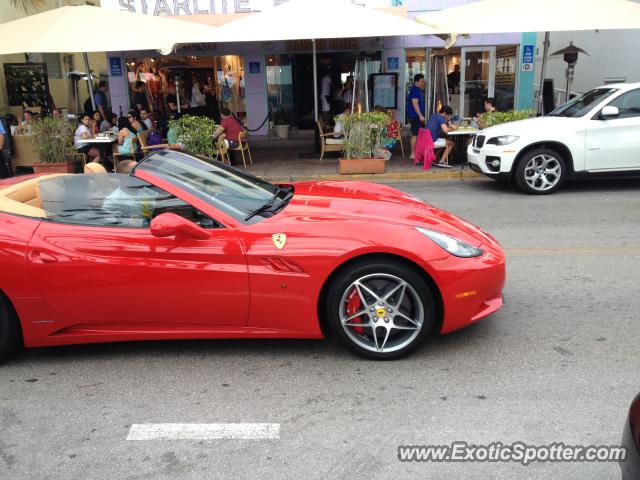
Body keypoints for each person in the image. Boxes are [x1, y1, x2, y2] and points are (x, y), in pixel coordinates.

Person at [406, 73, 426, 160]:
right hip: (415, 116)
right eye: (421, 81)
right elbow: (415, 105)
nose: (423, 83)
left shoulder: (418, 90)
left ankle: (416, 152)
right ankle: (412, 153)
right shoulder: (414, 91)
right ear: (416, 82)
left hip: (417, 116)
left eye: (423, 81)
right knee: (415, 134)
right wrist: (420, 116)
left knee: (418, 134)